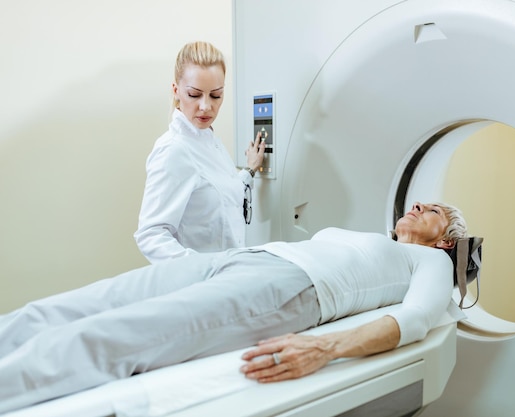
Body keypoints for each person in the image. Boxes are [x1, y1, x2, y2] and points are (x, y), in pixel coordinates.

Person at [0, 202, 468, 413]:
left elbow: (415, 319)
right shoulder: (367, 237)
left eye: (433, 212)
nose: (419, 205)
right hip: (245, 259)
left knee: (116, 334)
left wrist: (324, 349)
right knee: (72, 305)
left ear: (444, 240)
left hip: (288, 290)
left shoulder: (431, 262)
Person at [134, 41, 266, 264]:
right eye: (195, 95)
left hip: (230, 278)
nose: (206, 106)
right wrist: (205, 269)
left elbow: (218, 195)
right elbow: (151, 235)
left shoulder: (209, 140)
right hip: (203, 284)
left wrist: (250, 170)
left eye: (216, 96)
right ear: (176, 91)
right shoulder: (173, 150)